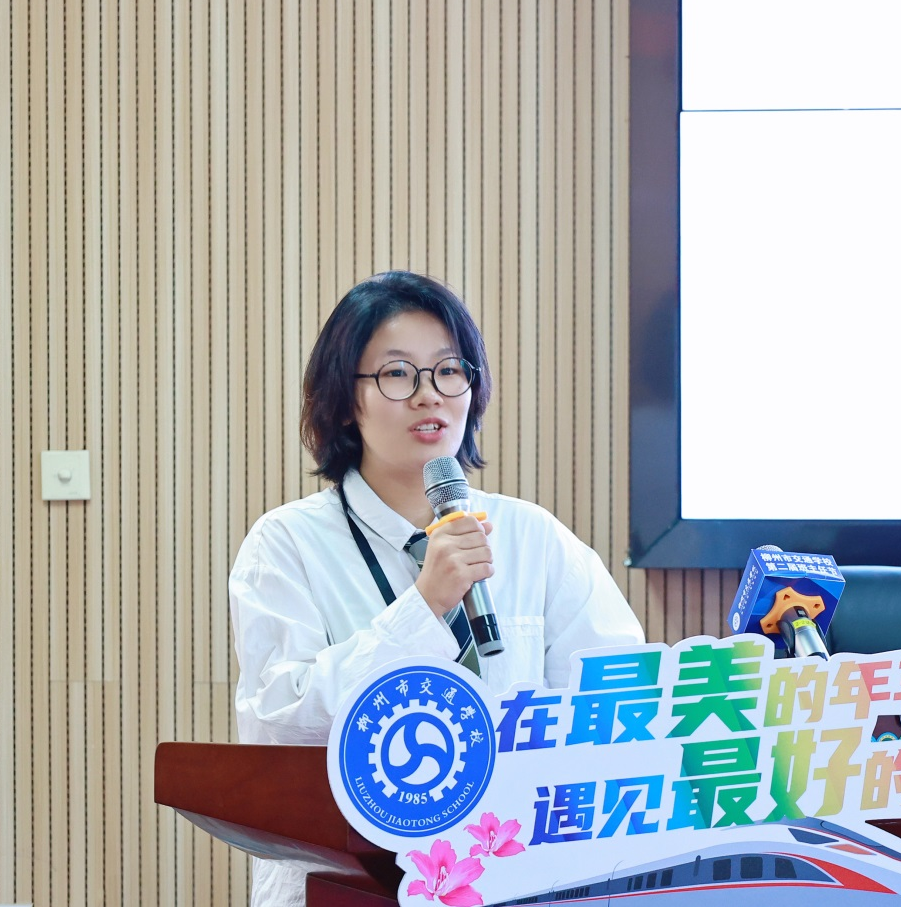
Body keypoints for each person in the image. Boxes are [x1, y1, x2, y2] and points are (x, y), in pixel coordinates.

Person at [228, 270, 644, 906]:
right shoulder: (287, 544)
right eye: (398, 374)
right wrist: (423, 608)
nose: (430, 395)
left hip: (518, 877)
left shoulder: (533, 537)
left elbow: (619, 702)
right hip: (345, 882)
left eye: (450, 371)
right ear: (345, 399)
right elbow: (279, 726)